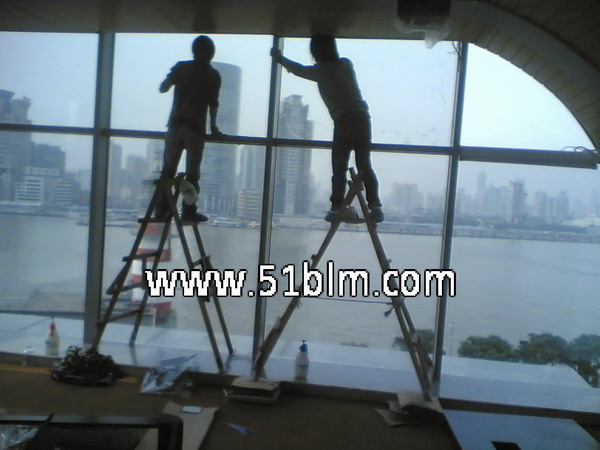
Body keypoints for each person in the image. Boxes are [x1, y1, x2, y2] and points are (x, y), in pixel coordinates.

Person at [271, 35, 384, 223]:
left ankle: (337, 206)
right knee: (365, 164)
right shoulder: (346, 64)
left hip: (344, 120)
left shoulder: (321, 71)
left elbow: (298, 69)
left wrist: (279, 58)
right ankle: (376, 206)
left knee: (339, 167)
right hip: (363, 118)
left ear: (315, 52)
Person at [155, 35, 222, 222]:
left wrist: (174, 78)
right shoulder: (213, 75)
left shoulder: (181, 68)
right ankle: (189, 210)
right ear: (211, 53)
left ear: (194, 51)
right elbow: (213, 103)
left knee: (168, 172)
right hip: (195, 129)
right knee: (192, 174)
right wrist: (213, 126)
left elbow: (163, 88)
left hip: (175, 126)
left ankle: (161, 209)